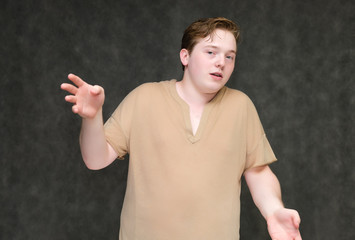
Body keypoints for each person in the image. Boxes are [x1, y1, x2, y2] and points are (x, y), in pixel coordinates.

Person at [61, 17, 302, 240]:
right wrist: (92, 118)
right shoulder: (144, 98)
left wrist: (274, 210)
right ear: (185, 56)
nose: (221, 62)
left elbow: (258, 172)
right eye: (211, 52)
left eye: (230, 56)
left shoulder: (241, 107)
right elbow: (96, 160)